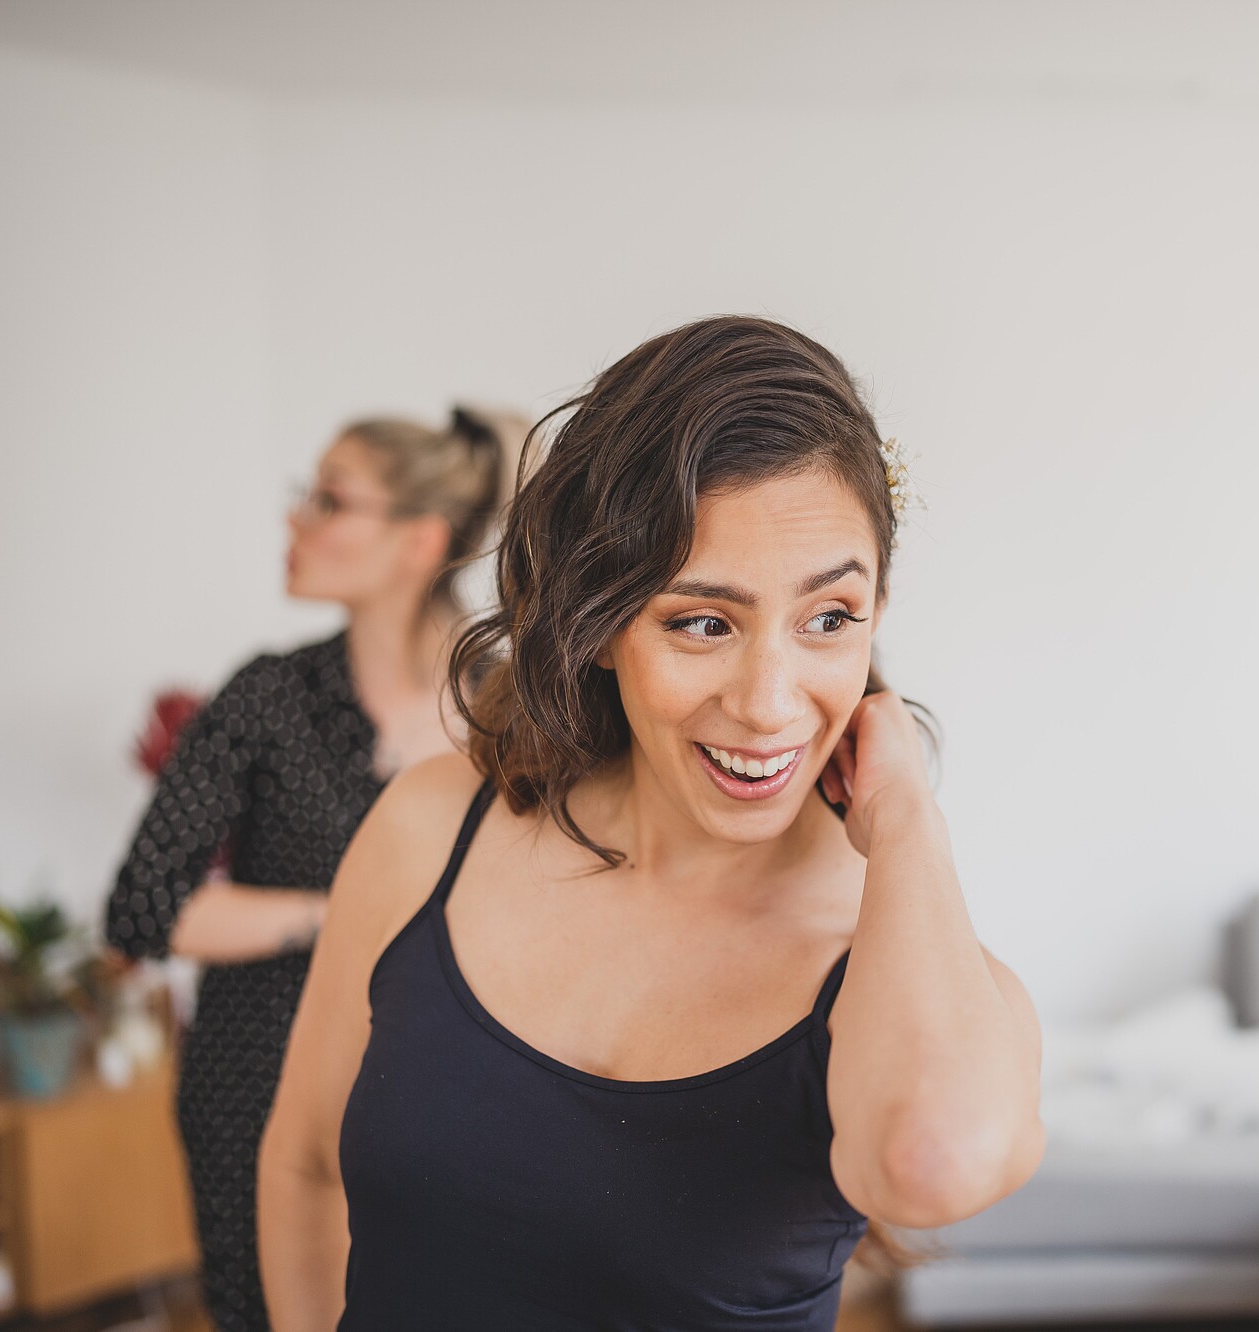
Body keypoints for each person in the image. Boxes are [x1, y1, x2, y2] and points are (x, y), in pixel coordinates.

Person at [256, 315, 1046, 1331]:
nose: (768, 701)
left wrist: (904, 819)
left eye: (829, 619)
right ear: (597, 623)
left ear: (876, 610)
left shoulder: (889, 954)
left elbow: (932, 1164)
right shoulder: (429, 831)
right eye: (702, 622)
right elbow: (304, 1169)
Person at [105, 407, 518, 1332]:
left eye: (329, 500)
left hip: (455, 1088)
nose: (295, 521)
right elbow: (143, 908)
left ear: (421, 539)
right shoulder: (266, 695)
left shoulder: (512, 708)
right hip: (257, 1083)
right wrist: (344, 912)